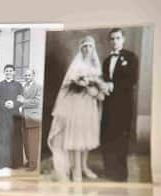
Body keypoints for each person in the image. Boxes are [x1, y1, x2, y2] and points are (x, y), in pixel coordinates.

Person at [47, 36, 103, 182]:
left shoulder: (96, 67)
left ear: (93, 48)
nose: (87, 49)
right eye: (84, 46)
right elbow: (67, 86)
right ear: (81, 49)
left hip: (89, 105)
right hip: (76, 105)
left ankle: (84, 166)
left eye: (90, 46)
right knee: (78, 135)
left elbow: (99, 87)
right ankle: (76, 169)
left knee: (87, 134)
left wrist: (95, 91)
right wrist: (81, 84)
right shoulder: (76, 66)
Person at [101, 28, 139, 182]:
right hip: (108, 104)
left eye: (118, 38)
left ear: (123, 39)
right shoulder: (106, 60)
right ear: (110, 41)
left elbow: (132, 79)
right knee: (108, 136)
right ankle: (109, 170)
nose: (115, 41)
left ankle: (121, 174)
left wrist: (113, 86)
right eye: (112, 39)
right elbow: (104, 78)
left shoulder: (131, 57)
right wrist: (103, 85)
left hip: (123, 104)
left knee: (121, 139)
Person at [0, 64, 24, 169]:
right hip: (1, 115)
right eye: (7, 71)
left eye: (10, 71)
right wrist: (4, 103)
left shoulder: (18, 85)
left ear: (14, 73)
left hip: (14, 114)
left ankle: (14, 163)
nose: (8, 73)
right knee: (1, 137)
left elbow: (22, 100)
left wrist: (14, 103)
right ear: (4, 73)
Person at [17, 69, 42, 171]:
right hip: (24, 116)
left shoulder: (38, 86)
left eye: (29, 75)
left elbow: (37, 102)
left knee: (33, 142)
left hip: (33, 117)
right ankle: (28, 161)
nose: (27, 77)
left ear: (33, 75)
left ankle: (33, 165)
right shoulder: (23, 86)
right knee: (26, 142)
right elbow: (20, 100)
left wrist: (23, 101)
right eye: (26, 75)